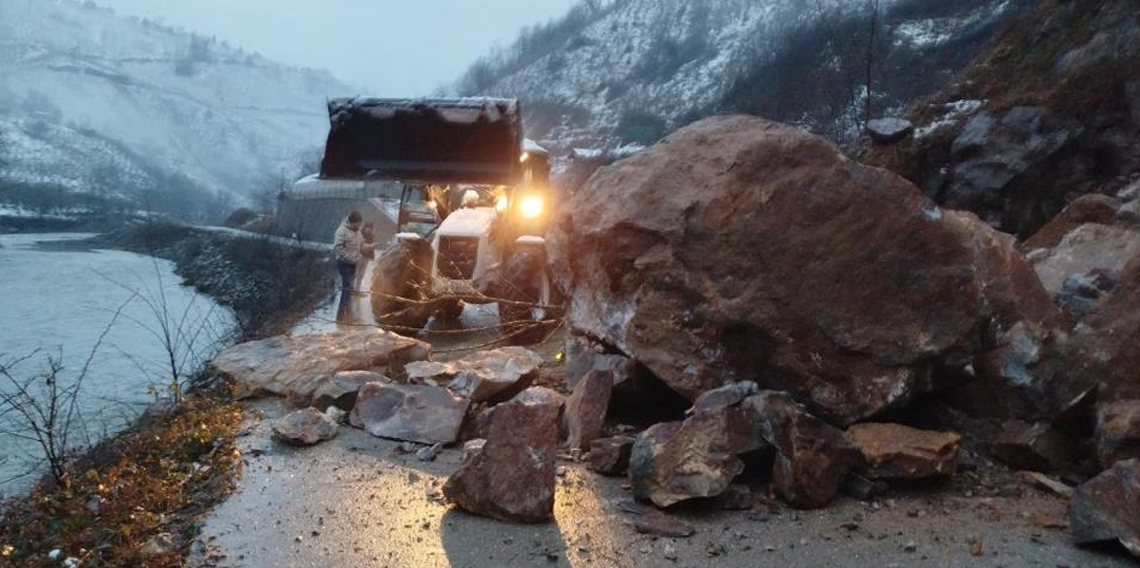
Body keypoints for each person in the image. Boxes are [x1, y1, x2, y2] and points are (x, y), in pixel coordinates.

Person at [333, 211, 367, 321]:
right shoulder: (341, 231)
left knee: (349, 289)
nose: (359, 226)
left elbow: (360, 244)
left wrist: (360, 255)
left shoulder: (357, 231)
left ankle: (347, 314)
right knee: (348, 288)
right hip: (344, 263)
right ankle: (342, 316)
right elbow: (338, 248)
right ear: (352, 222)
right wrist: (350, 258)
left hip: (353, 263)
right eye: (358, 224)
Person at [353, 222, 376, 292]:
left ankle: (357, 289)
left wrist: (372, 256)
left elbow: (372, 247)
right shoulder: (359, 234)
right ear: (365, 227)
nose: (369, 229)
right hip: (358, 256)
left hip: (366, 257)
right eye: (368, 227)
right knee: (355, 273)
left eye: (370, 228)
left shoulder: (372, 236)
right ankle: (352, 287)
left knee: (361, 274)